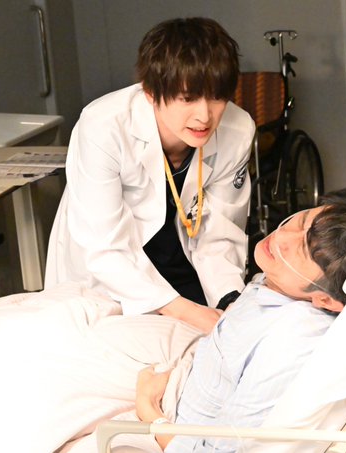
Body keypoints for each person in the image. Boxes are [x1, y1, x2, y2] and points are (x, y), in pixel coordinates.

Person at [130, 187, 346, 452]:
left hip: (165, 419)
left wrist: (150, 411)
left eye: (302, 250)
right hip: (179, 375)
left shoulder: (290, 340)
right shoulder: (280, 285)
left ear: (327, 300)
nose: (282, 237)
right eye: (301, 221)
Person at [44, 17, 255, 334]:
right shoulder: (103, 126)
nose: (204, 116)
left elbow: (220, 233)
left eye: (217, 97)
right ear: (151, 92)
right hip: (110, 276)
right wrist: (186, 311)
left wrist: (229, 300)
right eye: (188, 98)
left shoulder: (237, 130)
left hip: (182, 264)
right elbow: (105, 248)